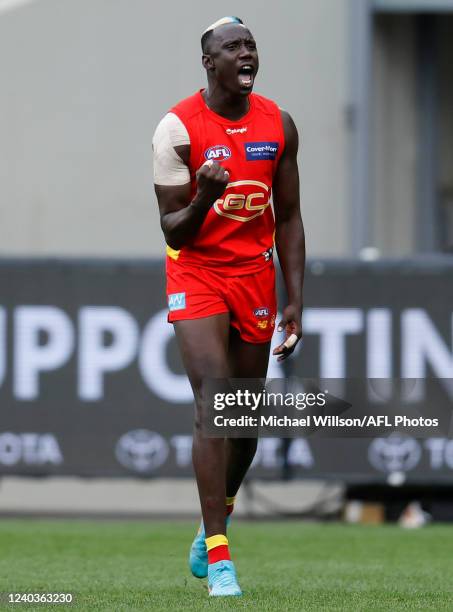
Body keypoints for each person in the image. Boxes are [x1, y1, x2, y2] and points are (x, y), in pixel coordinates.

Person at [152, 16, 305, 597]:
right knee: (213, 400)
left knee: (243, 420)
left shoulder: (278, 124)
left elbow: (289, 218)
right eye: (232, 47)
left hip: (254, 276)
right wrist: (206, 196)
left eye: (251, 46)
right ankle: (220, 558)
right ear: (208, 63)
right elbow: (173, 232)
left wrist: (295, 300)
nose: (246, 54)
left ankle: (217, 514)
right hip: (197, 271)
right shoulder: (177, 130)